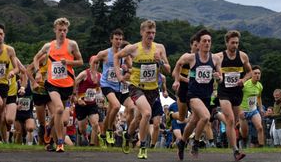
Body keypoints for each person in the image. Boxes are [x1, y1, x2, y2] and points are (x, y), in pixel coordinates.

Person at [115, 20, 171, 159]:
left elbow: (168, 70)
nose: (151, 35)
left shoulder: (159, 48)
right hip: (136, 88)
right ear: (142, 33)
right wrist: (118, 74)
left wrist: (161, 62)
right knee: (147, 113)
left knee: (139, 117)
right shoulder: (133, 48)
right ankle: (143, 146)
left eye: (153, 33)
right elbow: (117, 56)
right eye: (148, 32)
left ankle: (127, 135)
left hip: (152, 89)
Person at [31, 17, 83, 152]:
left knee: (59, 114)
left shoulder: (72, 45)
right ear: (55, 30)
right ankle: (60, 142)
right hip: (52, 83)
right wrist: (37, 72)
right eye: (60, 30)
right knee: (59, 108)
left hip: (67, 84)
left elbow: (81, 62)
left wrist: (69, 62)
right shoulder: (49, 46)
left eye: (64, 30)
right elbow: (36, 58)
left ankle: (49, 127)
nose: (62, 33)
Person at [172, 29, 224, 161]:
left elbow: (221, 78)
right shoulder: (190, 57)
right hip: (193, 94)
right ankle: (195, 143)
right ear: (199, 44)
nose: (207, 43)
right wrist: (177, 80)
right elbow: (178, 64)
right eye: (204, 41)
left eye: (209, 41)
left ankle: (182, 142)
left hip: (207, 95)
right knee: (206, 117)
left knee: (194, 120)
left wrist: (218, 77)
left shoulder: (216, 59)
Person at [91, 29, 134, 149]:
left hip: (120, 87)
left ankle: (107, 135)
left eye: (120, 39)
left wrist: (126, 69)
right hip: (107, 85)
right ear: (111, 40)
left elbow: (132, 69)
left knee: (130, 108)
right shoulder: (105, 53)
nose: (118, 41)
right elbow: (94, 61)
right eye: (116, 39)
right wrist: (94, 74)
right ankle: (110, 130)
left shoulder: (124, 54)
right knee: (116, 106)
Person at [215, 30, 251, 159]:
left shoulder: (243, 56)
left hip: (237, 92)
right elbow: (209, 68)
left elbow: (250, 72)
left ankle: (236, 141)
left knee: (234, 121)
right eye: (232, 43)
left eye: (237, 43)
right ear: (226, 43)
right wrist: (217, 76)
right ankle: (236, 151)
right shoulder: (218, 57)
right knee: (229, 119)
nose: (235, 45)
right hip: (224, 92)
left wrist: (244, 80)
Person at [73, 56, 101, 146]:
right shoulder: (84, 74)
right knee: (82, 128)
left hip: (92, 104)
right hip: (81, 104)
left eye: (97, 63)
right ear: (90, 63)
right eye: (94, 63)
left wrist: (100, 97)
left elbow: (98, 89)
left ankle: (92, 144)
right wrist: (77, 98)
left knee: (95, 124)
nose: (96, 65)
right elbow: (74, 83)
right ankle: (85, 136)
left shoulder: (100, 75)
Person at [239, 65, 264, 147]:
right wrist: (240, 110)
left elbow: (259, 97)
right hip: (244, 111)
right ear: (251, 74)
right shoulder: (245, 84)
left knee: (260, 128)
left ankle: (261, 147)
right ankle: (241, 135)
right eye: (255, 73)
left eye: (259, 73)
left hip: (253, 110)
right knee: (245, 134)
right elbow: (237, 97)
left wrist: (260, 108)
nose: (257, 75)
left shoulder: (260, 86)